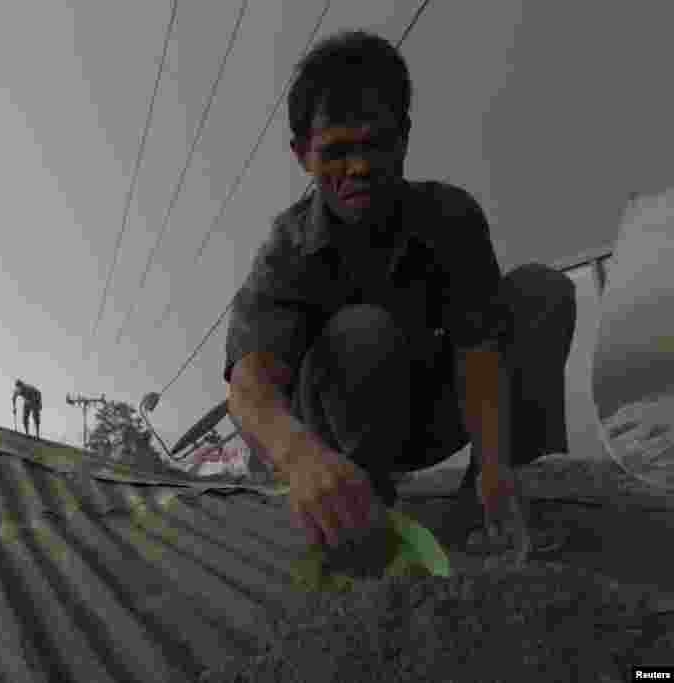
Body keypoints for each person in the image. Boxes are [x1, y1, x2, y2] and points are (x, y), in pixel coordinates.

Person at [224, 31, 575, 564]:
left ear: (404, 138)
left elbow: (478, 352)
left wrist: (495, 468)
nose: (359, 168)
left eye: (376, 144)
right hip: (338, 435)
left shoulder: (450, 218)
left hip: (428, 414)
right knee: (364, 331)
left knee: (544, 293)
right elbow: (249, 388)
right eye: (336, 152)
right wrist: (299, 459)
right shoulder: (287, 249)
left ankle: (499, 506)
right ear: (302, 156)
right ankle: (362, 510)